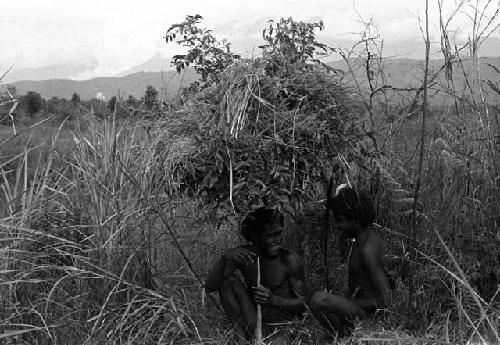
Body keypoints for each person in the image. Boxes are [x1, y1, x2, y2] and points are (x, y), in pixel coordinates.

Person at [205, 207, 307, 337]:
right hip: (255, 325)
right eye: (270, 235)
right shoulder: (244, 256)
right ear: (255, 237)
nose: (278, 240)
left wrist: (274, 300)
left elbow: (305, 305)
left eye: (279, 233)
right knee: (227, 282)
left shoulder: (289, 260)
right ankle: (241, 339)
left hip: (284, 329)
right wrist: (223, 258)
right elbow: (210, 287)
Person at [309, 186, 392, 337]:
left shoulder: (367, 250)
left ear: (355, 220)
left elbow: (385, 299)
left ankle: (345, 336)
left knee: (318, 300)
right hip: (360, 309)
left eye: (340, 221)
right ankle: (344, 335)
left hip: (369, 317)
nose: (338, 226)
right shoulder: (361, 239)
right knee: (319, 294)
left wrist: (347, 302)